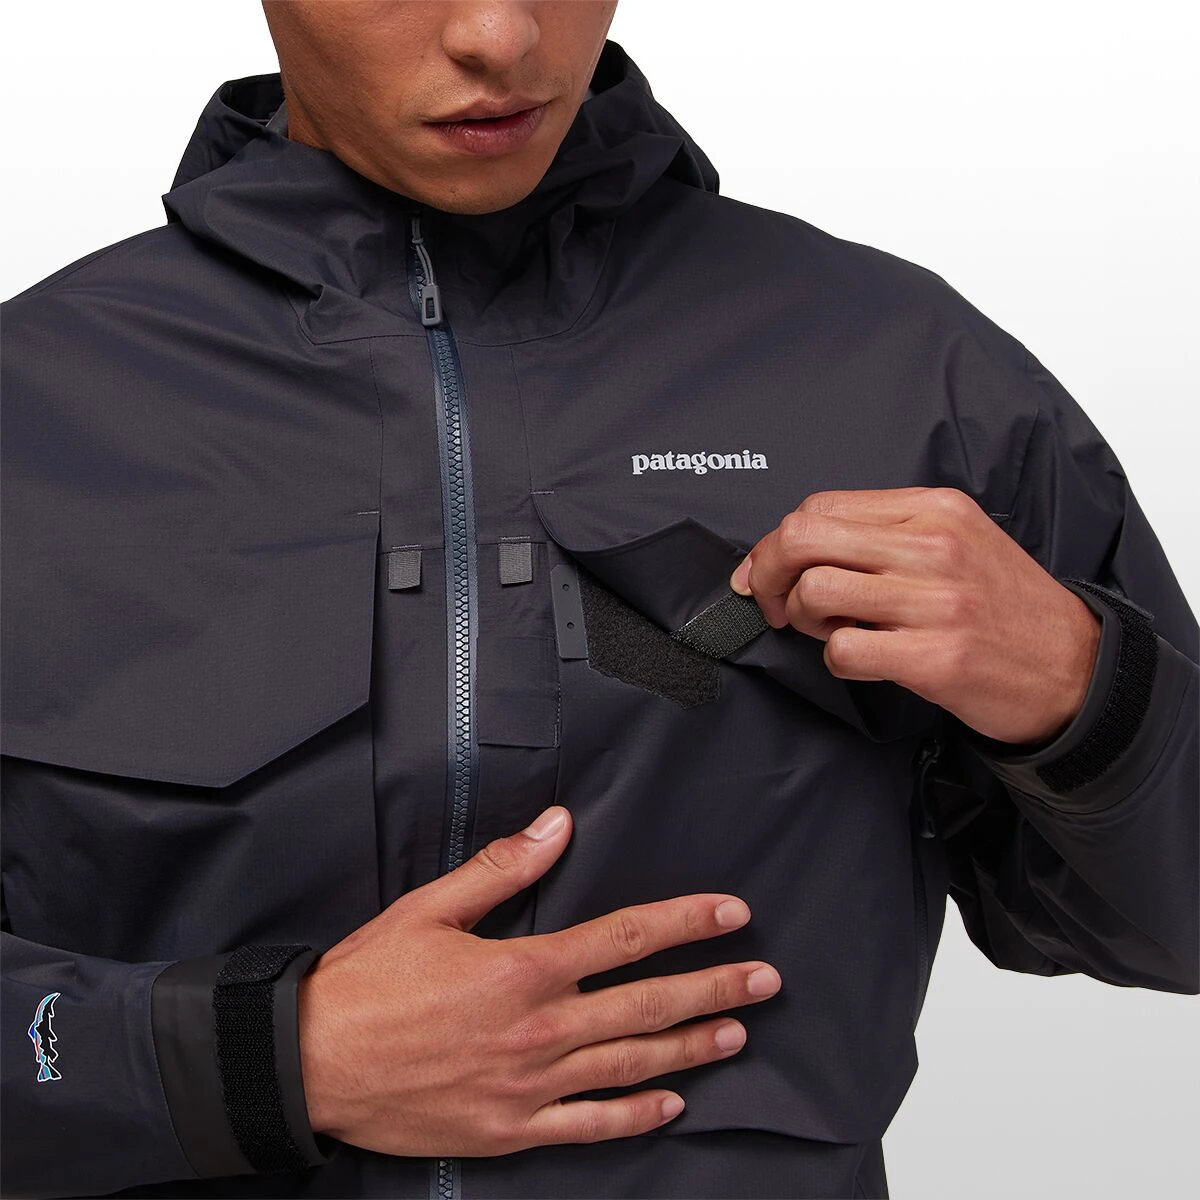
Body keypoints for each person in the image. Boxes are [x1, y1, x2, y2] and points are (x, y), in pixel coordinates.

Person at [1, 2, 1195, 1198]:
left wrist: (1086, 693)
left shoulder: (911, 373)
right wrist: (264, 1064)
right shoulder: (39, 408)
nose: (499, 37)